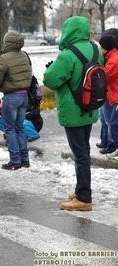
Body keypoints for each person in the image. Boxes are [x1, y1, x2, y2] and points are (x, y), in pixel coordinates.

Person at [43, 16, 104, 211]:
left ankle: (84, 197)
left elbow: (50, 80)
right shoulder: (95, 49)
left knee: (80, 154)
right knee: (83, 150)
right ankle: (81, 190)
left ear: (68, 30)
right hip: (90, 108)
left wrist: (54, 67)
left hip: (73, 110)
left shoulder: (67, 55)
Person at [0, 31, 32, 170]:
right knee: (19, 127)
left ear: (7, 43)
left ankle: (15, 159)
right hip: (24, 96)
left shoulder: (4, 58)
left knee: (9, 128)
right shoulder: (25, 55)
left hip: (11, 96)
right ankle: (25, 159)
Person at [98, 35, 118, 160]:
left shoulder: (114, 61)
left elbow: (104, 77)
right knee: (110, 122)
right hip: (111, 95)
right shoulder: (110, 57)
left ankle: (114, 146)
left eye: (101, 46)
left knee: (114, 124)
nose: (99, 48)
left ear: (106, 47)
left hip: (115, 97)